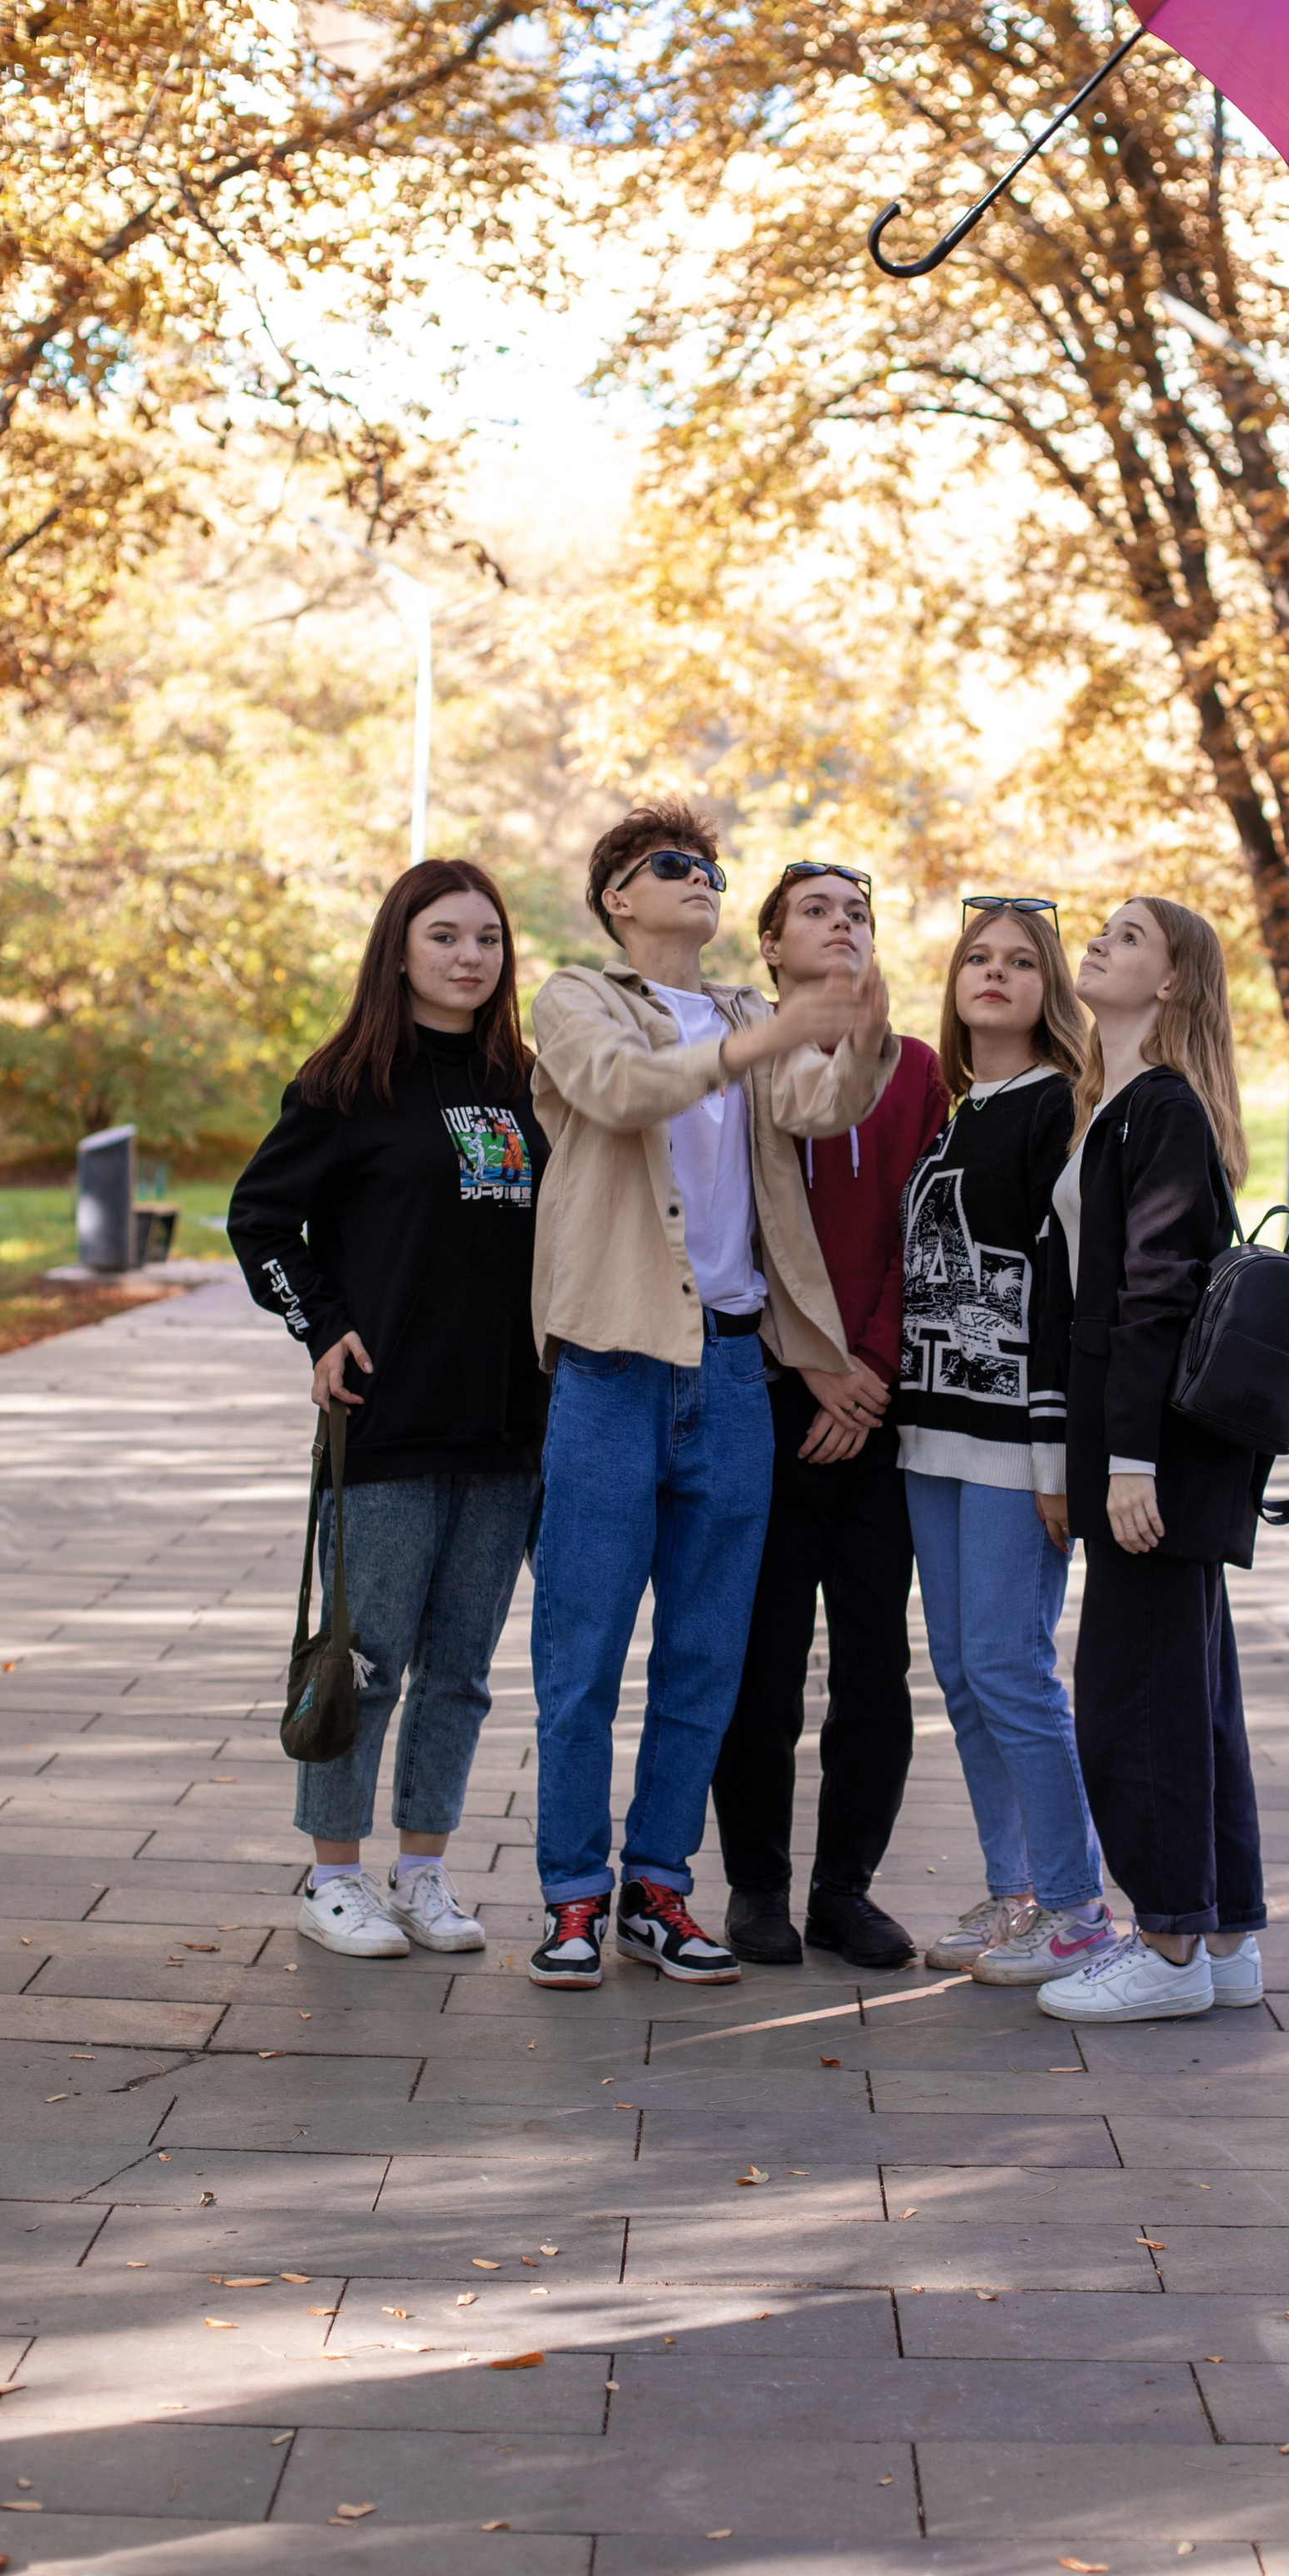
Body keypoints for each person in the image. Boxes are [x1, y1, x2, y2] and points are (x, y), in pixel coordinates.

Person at [526, 802, 896, 1993]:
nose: (700, 879)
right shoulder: (577, 999)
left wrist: (858, 1012)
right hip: (611, 1369)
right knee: (581, 1654)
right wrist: (769, 1035)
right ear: (618, 898)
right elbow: (624, 1093)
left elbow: (818, 1107)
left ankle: (660, 1890)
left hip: (735, 1375)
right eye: (671, 866)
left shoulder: (750, 1016)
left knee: (706, 1659)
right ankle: (573, 1897)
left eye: (710, 867)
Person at [228, 859, 546, 1960]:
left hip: (509, 1426)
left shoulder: (526, 1083)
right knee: (361, 1661)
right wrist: (319, 1328)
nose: (469, 957)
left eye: (488, 941)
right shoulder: (346, 1084)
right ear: (400, 949)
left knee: (462, 1668)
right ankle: (332, 1878)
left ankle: (423, 1869)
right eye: (446, 937)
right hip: (388, 1421)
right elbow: (260, 1221)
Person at [1031, 895, 1268, 2026]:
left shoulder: (1157, 1111)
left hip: (1153, 1459)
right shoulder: (1116, 1107)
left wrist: (1129, 1464)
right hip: (1151, 1453)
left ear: (1171, 984)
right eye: (1107, 929)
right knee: (1192, 1693)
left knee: (1134, 1700)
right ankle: (1220, 1939)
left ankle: (1167, 1943)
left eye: (1132, 937)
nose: (1102, 943)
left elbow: (1156, 1296)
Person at [709, 864, 948, 1970]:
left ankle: (844, 1888)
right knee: (761, 1664)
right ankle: (756, 1889)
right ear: (770, 946)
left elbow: (928, 1239)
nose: (842, 926)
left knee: (872, 1667)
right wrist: (812, 1371)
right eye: (817, 912)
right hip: (771, 1402)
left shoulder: (916, 1072)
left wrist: (874, 1373)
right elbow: (735, 1234)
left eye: (858, 914)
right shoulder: (739, 1064)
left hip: (879, 1412)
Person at [897, 897, 1115, 1987]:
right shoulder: (952, 1110)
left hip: (1013, 1442)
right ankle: (1016, 1888)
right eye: (977, 958)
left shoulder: (1057, 1111)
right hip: (932, 1431)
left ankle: (1078, 1910)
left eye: (1020, 961)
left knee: (1009, 1664)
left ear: (1051, 985)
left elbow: (1065, 1294)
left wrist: (1054, 1453)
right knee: (961, 1668)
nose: (994, 974)